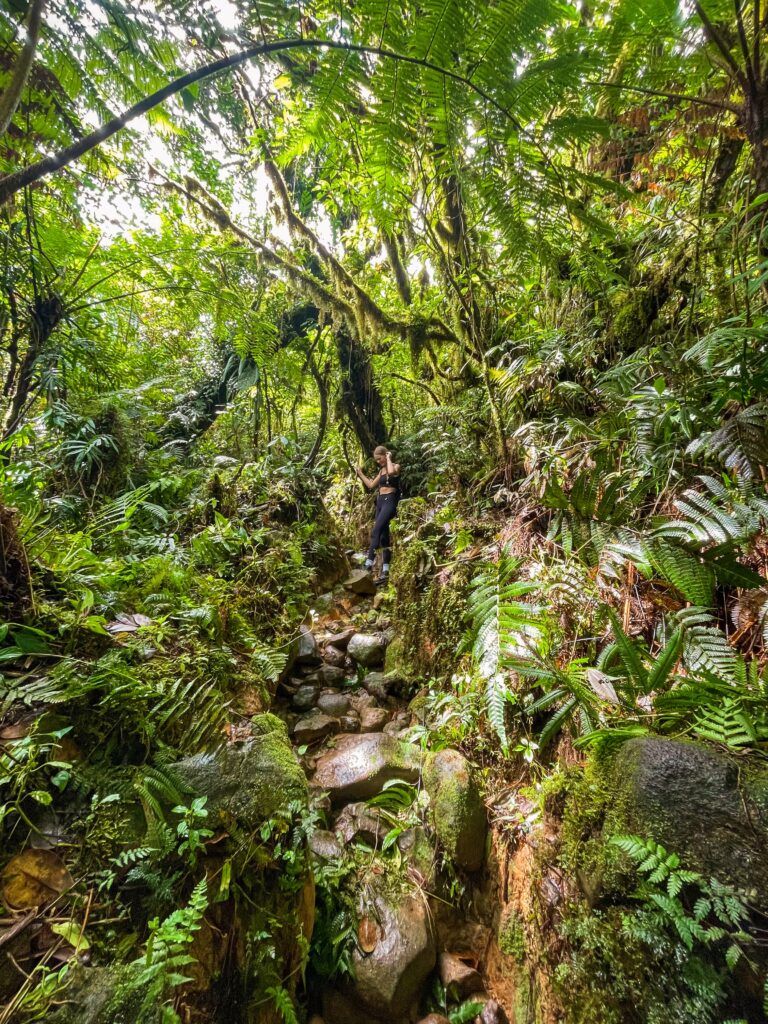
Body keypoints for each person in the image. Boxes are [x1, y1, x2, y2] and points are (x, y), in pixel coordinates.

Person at [355, 445, 401, 580]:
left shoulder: (396, 466)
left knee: (375, 531)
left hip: (389, 502)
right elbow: (370, 485)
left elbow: (392, 473)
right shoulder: (381, 471)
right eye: (376, 460)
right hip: (380, 503)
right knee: (383, 536)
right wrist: (360, 474)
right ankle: (386, 569)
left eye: (379, 458)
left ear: (384, 455)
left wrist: (388, 458)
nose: (378, 461)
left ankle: (369, 563)